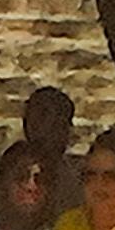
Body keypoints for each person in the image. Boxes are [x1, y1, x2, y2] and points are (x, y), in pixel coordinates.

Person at [20, 87, 78, 217]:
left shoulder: (78, 186)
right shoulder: (1, 179)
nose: (44, 128)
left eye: (56, 121)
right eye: (39, 118)